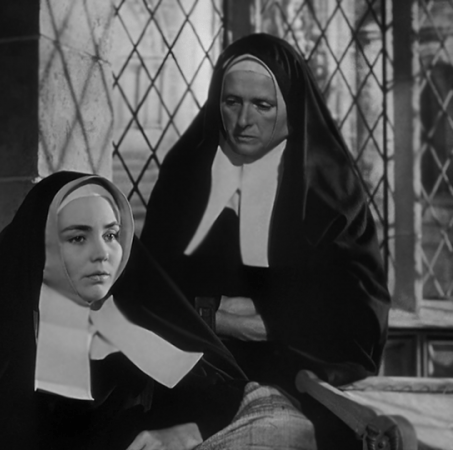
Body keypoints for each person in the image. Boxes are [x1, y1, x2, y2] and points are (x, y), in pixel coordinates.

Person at [137, 33, 391, 448]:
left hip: (292, 387)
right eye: (231, 101)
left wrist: (229, 317)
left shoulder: (329, 188)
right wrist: (227, 317)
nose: (243, 120)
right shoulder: (184, 171)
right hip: (179, 381)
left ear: (291, 106)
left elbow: (359, 323)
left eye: (262, 105)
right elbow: (147, 294)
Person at [0, 171, 249, 450]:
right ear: (41, 251)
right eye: (78, 237)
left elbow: (232, 399)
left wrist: (190, 430)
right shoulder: (0, 345)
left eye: (111, 235)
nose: (102, 253)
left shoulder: (141, 331)